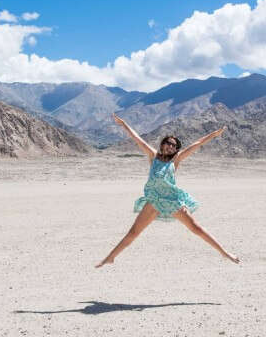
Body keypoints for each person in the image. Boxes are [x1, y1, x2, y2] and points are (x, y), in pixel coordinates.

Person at [95, 113, 240, 267]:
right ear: (163, 144)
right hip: (154, 200)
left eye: (174, 145)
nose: (171, 146)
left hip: (172, 200)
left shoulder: (176, 159)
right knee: (133, 232)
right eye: (169, 143)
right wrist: (123, 124)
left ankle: (225, 253)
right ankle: (110, 257)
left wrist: (214, 134)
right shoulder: (153, 156)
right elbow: (137, 139)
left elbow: (197, 143)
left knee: (196, 228)